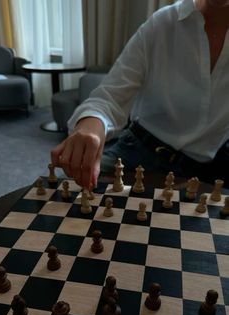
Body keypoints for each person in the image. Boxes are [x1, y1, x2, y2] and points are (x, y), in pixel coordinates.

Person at [51, 0, 229, 189]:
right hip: (139, 152)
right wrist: (91, 124)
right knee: (66, 198)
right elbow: (109, 97)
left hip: (208, 169)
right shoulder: (163, 23)